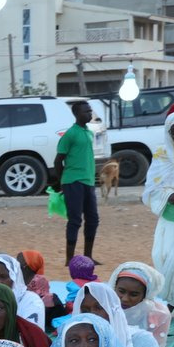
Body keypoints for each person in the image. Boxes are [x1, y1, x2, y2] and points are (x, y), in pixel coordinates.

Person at [142, 112, 174, 324]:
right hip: (170, 218)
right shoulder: (161, 155)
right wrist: (170, 195)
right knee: (164, 257)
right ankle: (171, 299)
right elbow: (151, 189)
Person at [55, 99, 101, 265]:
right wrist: (62, 182)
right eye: (86, 111)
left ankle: (88, 257)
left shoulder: (88, 131)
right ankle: (69, 259)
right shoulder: (71, 134)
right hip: (73, 181)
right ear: (76, 114)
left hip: (88, 181)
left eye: (90, 111)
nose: (89, 114)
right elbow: (58, 160)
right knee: (75, 220)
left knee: (93, 219)